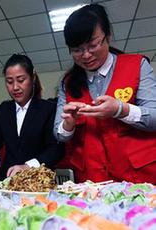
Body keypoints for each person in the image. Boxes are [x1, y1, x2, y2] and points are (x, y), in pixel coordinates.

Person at [54, 4, 156, 183]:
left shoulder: (137, 66)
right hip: (92, 181)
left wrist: (120, 110)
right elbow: (59, 134)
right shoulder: (68, 82)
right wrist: (68, 123)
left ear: (108, 36)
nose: (86, 55)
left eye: (92, 45)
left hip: (139, 177)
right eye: (77, 50)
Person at [0, 54, 64, 180]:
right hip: (7, 179)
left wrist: (28, 166)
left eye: (21, 80)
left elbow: (55, 149)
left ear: (32, 78)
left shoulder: (48, 109)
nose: (15, 87)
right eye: (9, 82)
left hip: (39, 180)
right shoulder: (2, 111)